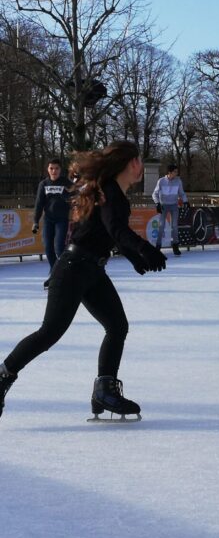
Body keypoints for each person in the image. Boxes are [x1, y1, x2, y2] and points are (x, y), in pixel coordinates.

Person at [0, 141, 167, 421]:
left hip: (91, 270)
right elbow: (117, 229)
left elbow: (109, 233)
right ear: (129, 163)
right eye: (138, 160)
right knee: (50, 332)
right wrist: (145, 250)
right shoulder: (111, 191)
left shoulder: (110, 191)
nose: (140, 165)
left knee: (117, 326)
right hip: (73, 269)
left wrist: (135, 258)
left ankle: (104, 389)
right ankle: (5, 374)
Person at [32, 159, 73, 287]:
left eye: (56, 168)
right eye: (51, 168)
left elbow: (74, 197)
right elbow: (39, 204)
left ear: (60, 170)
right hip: (48, 219)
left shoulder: (66, 183)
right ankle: (55, 273)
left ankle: (64, 274)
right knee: (48, 247)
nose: (54, 171)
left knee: (59, 247)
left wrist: (68, 193)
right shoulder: (43, 184)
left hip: (62, 219)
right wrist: (35, 221)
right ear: (48, 170)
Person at [152, 164, 188, 256]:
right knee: (161, 226)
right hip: (164, 206)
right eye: (175, 171)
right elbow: (154, 194)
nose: (177, 173)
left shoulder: (178, 181)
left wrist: (185, 201)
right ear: (170, 172)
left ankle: (175, 246)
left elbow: (181, 193)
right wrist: (157, 203)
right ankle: (158, 246)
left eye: (177, 171)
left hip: (174, 205)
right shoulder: (161, 181)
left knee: (175, 226)